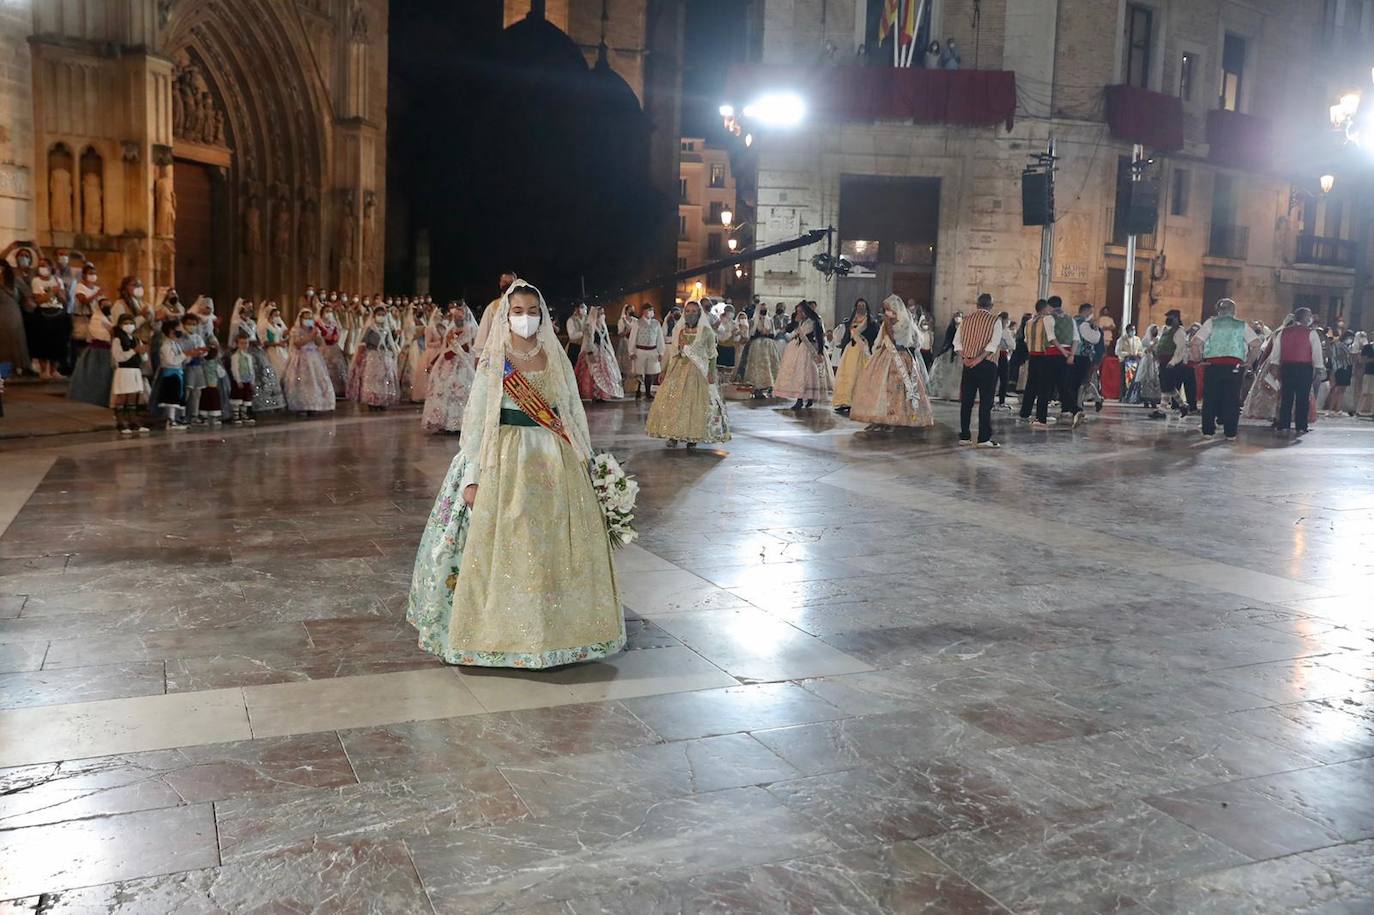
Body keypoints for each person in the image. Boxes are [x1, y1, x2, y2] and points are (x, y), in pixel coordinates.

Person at [406, 281, 624, 669]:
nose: (525, 318)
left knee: (551, 544)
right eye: (518, 311)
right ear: (506, 316)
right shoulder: (495, 360)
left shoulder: (554, 358)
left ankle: (556, 633)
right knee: (513, 540)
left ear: (542, 316)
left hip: (553, 459)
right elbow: (476, 422)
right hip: (504, 460)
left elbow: (570, 412)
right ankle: (503, 634)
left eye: (532, 311)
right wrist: (472, 475)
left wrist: (586, 461)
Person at [645, 299, 731, 448]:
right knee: (673, 402)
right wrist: (665, 370)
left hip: (699, 371)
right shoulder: (680, 331)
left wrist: (711, 373)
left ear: (699, 313)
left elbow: (712, 355)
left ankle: (693, 436)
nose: (690, 314)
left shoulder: (706, 332)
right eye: (688, 311)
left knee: (695, 404)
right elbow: (673, 353)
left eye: (694, 311)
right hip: (679, 369)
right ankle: (673, 435)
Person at [850, 294, 935, 431]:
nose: (886, 312)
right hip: (884, 356)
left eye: (888, 309)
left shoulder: (905, 323)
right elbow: (881, 340)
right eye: (885, 309)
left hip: (900, 357)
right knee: (879, 388)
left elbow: (897, 342)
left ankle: (893, 419)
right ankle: (878, 418)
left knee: (896, 390)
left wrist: (889, 324)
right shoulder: (885, 322)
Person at [1192, 298, 1260, 440]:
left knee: (1210, 398)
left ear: (1218, 310)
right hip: (1234, 366)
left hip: (1213, 365)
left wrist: (1199, 360)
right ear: (1234, 311)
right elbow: (1256, 344)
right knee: (1232, 399)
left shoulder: (1211, 323)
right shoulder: (1241, 325)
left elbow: (1195, 343)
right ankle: (1230, 433)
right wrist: (1248, 362)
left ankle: (1208, 431)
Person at [954, 293, 1003, 447]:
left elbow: (957, 343)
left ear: (977, 305)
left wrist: (966, 358)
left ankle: (965, 436)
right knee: (985, 401)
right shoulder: (995, 320)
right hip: (987, 364)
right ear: (991, 306)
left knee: (966, 401)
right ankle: (983, 438)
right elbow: (993, 345)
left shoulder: (966, 320)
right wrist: (979, 359)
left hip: (968, 364)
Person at [422, 304, 477, 434]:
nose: (458, 318)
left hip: (463, 365)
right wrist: (436, 361)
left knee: (459, 391)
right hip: (447, 365)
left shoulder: (471, 330)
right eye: (456, 316)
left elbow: (472, 348)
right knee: (444, 391)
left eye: (460, 315)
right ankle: (443, 422)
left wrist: (459, 350)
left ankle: (459, 423)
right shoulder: (450, 330)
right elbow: (443, 349)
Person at [1019, 298, 1071, 427]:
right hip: (1044, 356)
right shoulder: (1047, 320)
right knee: (1044, 388)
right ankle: (1041, 416)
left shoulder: (1029, 322)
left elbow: (1026, 340)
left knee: (1031, 386)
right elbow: (1051, 338)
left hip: (1032, 356)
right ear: (1045, 308)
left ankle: (1025, 413)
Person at [1274, 307, 1324, 436]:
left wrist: (1275, 365)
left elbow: (1277, 351)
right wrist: (1319, 367)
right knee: (1302, 397)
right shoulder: (1311, 333)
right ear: (1306, 318)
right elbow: (1316, 352)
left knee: (1286, 396)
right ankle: (1301, 426)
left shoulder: (1283, 332)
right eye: (1309, 316)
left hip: (1287, 366)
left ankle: (1284, 424)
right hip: (1304, 368)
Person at [774, 302, 832, 410]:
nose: (799, 313)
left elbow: (819, 337)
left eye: (801, 311)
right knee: (800, 373)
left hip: (811, 349)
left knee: (810, 373)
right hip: (802, 349)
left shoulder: (814, 320)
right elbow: (790, 330)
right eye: (798, 311)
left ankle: (809, 397)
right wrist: (795, 322)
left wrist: (819, 352)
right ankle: (800, 400)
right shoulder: (800, 321)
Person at [282, 307, 336, 415]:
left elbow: (319, 343)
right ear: (301, 319)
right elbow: (297, 343)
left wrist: (316, 335)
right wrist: (310, 336)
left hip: (313, 357)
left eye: (310, 318)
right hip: (301, 358)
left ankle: (314, 404)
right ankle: (301, 405)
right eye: (306, 318)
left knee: (315, 382)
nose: (308, 320)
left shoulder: (314, 329)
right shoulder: (295, 330)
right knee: (301, 382)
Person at [67, 294, 116, 407]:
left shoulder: (110, 318)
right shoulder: (96, 318)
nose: (107, 307)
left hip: (109, 351)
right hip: (98, 351)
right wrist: (111, 333)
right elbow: (99, 334)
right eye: (104, 305)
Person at [831, 298, 877, 415]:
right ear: (855, 306)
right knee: (846, 375)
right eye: (859, 305)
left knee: (858, 375)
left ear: (866, 307)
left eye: (863, 305)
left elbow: (873, 335)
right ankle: (844, 402)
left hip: (862, 351)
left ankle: (856, 402)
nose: (861, 307)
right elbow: (844, 334)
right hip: (850, 350)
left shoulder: (870, 321)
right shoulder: (851, 320)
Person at [350, 306, 401, 409]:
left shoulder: (386, 329)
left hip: (384, 356)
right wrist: (359, 355)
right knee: (372, 379)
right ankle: (372, 400)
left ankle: (382, 400)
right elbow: (363, 342)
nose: (381, 317)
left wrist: (395, 337)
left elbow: (389, 343)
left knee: (384, 378)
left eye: (383, 315)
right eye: (379, 315)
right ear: (374, 316)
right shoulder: (370, 328)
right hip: (372, 355)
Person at [28, 257, 69, 379]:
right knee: (43, 342)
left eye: (45, 265)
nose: (42, 268)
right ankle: (44, 370)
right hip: (43, 312)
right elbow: (38, 300)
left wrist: (59, 291)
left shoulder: (58, 280)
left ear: (51, 268)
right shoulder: (36, 281)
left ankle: (54, 370)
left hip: (57, 312)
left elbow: (64, 300)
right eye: (40, 266)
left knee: (57, 342)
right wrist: (51, 292)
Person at [109, 311, 150, 434]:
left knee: (133, 396)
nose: (129, 325)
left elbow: (144, 357)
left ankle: (133, 421)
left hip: (135, 370)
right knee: (122, 396)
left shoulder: (136, 339)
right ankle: (120, 422)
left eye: (131, 323)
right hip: (124, 370)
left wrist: (143, 352)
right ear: (120, 325)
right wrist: (134, 351)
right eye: (126, 323)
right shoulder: (118, 339)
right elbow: (119, 357)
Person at [574, 305, 624, 402]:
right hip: (594, 350)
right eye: (600, 313)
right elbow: (588, 340)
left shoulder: (603, 325)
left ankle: (602, 394)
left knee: (606, 372)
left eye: (603, 313)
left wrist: (611, 352)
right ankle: (594, 394)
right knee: (593, 372)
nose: (602, 315)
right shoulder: (590, 325)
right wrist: (589, 352)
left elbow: (607, 339)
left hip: (603, 351)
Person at [1064, 302, 1098, 427]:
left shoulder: (1073, 321)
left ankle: (1070, 409)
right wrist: (1095, 328)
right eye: (1091, 311)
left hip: (1071, 355)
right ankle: (1076, 409)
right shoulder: (1084, 324)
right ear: (1087, 311)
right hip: (1082, 356)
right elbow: (1094, 339)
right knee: (1077, 385)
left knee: (1071, 383)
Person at [737, 305, 780, 398]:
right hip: (757, 346)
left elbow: (773, 334)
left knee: (770, 366)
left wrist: (768, 333)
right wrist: (760, 332)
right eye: (762, 310)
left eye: (765, 310)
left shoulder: (770, 320)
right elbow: (750, 335)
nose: (763, 312)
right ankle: (757, 389)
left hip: (768, 345)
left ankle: (771, 387)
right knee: (757, 366)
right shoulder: (753, 321)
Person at [155, 318, 191, 430]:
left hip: (178, 373)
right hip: (170, 374)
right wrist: (184, 355)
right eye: (178, 329)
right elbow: (171, 360)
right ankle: (170, 420)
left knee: (177, 397)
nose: (181, 331)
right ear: (171, 331)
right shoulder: (165, 346)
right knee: (171, 398)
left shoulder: (176, 344)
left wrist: (189, 355)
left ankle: (177, 418)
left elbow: (181, 359)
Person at [627, 302, 665, 400]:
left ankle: (648, 392)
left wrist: (661, 352)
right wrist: (631, 352)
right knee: (639, 372)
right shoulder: (637, 323)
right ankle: (638, 390)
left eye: (651, 310)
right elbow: (632, 338)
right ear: (644, 311)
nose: (650, 312)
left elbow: (659, 338)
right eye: (648, 310)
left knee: (650, 373)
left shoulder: (656, 323)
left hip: (652, 350)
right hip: (640, 350)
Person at [473, 270, 518, 351]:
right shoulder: (493, 306)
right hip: (497, 351)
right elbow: (484, 331)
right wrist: (479, 355)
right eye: (504, 282)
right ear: (500, 284)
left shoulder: (523, 304)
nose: (507, 285)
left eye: (510, 282)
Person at [0, 261, 31, 378]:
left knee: (15, 341)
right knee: (3, 343)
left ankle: (15, 370)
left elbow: (27, 294)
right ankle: (3, 372)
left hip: (14, 313)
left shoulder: (15, 280)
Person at [317, 299, 349, 398]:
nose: (329, 314)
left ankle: (338, 390)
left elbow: (338, 332)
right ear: (322, 313)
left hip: (334, 348)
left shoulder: (334, 323)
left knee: (337, 367)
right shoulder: (318, 323)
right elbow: (317, 336)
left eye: (330, 311)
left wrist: (336, 337)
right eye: (327, 311)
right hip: (323, 348)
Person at [228, 331, 257, 425]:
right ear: (237, 344)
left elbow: (251, 369)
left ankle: (244, 415)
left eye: (246, 343)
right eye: (242, 343)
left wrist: (252, 381)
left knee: (246, 398)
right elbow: (234, 369)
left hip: (248, 380)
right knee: (238, 398)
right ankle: (236, 416)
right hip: (239, 381)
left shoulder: (249, 356)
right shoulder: (235, 356)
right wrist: (238, 380)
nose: (244, 345)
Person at [1325, 330, 1355, 416]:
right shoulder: (1337, 345)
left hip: (1347, 369)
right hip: (1339, 368)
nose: (1351, 339)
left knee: (1342, 390)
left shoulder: (1349, 346)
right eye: (1350, 337)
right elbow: (1334, 358)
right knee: (1335, 389)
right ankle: (1330, 409)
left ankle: (1338, 409)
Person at [1116, 324, 1145, 404]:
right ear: (1127, 331)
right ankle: (1123, 396)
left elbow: (1141, 350)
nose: (1133, 331)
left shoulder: (1137, 339)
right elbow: (1118, 351)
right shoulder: (1122, 340)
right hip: (1125, 361)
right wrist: (1127, 354)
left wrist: (1138, 354)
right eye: (1131, 330)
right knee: (1124, 381)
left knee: (1135, 380)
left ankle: (1133, 397)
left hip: (1135, 362)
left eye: (1134, 329)